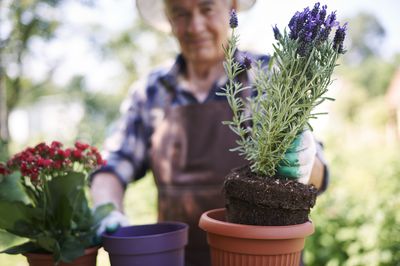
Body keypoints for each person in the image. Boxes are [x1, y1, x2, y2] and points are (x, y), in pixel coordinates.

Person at [90, 0, 329, 265]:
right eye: (181, 14)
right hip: (180, 257)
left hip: (260, 256)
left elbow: (320, 174)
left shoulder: (268, 76)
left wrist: (303, 163)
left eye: (207, 9)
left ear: (232, 8)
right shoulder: (151, 91)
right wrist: (106, 207)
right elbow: (113, 163)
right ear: (168, 19)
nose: (195, 26)